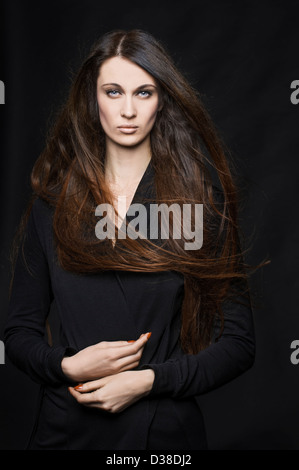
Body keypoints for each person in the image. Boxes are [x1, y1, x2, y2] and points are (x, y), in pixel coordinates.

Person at [5, 29, 255, 450]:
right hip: (65, 432)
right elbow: (19, 333)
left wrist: (150, 380)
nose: (127, 110)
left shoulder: (196, 207)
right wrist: (67, 365)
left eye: (143, 93)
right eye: (113, 91)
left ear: (162, 101)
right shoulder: (52, 204)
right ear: (93, 98)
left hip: (162, 437)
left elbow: (239, 345)